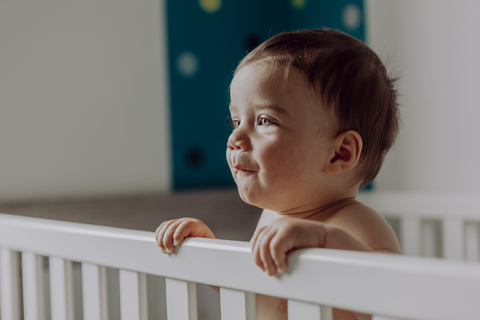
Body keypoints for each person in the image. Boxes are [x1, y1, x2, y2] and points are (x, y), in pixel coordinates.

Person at [155, 28, 401, 320]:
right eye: (235, 120)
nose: (235, 138)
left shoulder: (356, 224)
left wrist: (325, 240)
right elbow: (256, 291)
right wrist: (210, 252)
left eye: (264, 120)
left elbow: (391, 295)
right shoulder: (273, 216)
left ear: (340, 153)